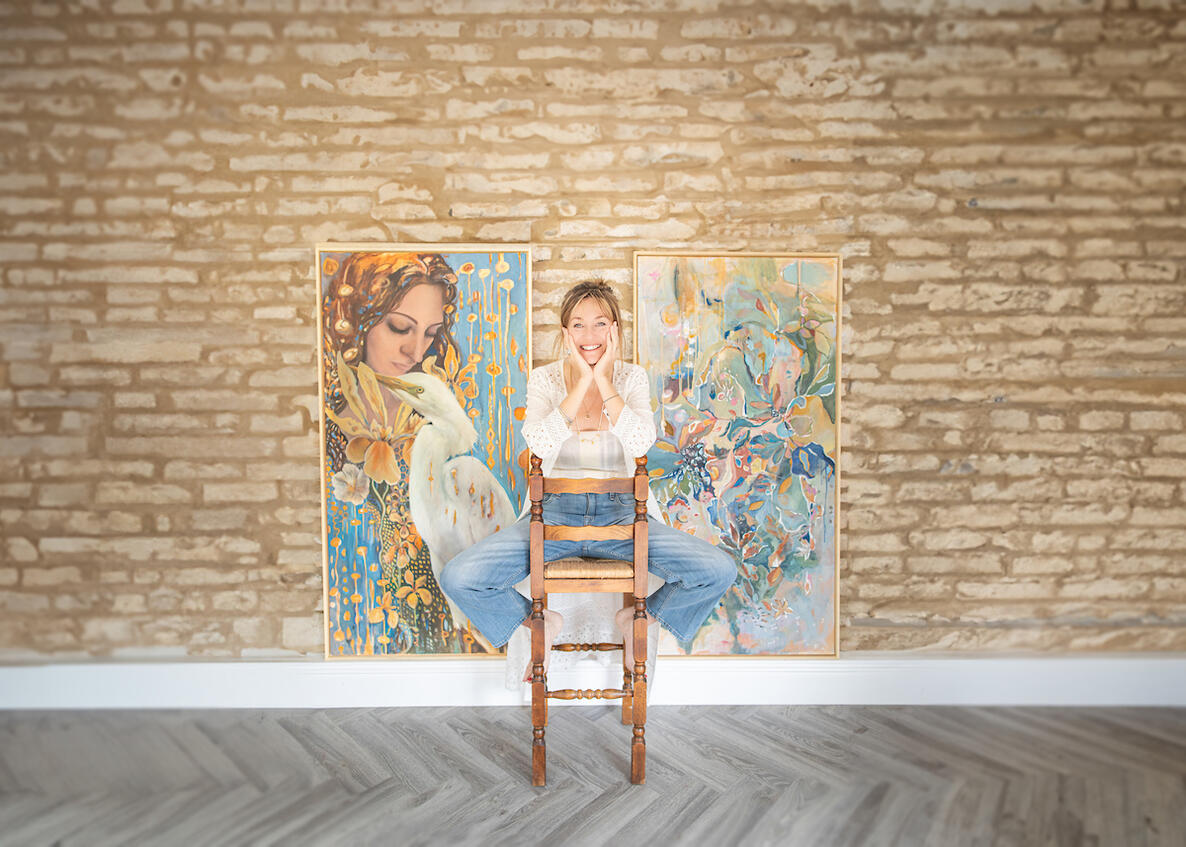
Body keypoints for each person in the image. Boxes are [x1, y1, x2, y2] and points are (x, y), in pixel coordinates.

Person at [440, 279, 737, 679]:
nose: (589, 335)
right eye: (578, 325)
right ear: (565, 333)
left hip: (624, 518)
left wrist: (603, 381)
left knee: (718, 570)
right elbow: (539, 444)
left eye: (600, 323)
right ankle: (539, 623)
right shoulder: (545, 380)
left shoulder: (631, 379)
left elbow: (640, 441)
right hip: (553, 518)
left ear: (615, 330)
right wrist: (581, 381)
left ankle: (641, 619)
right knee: (460, 577)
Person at [322, 252, 511, 654]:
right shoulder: (335, 441)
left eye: (430, 333)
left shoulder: (441, 451)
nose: (416, 351)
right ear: (359, 322)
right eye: (398, 327)